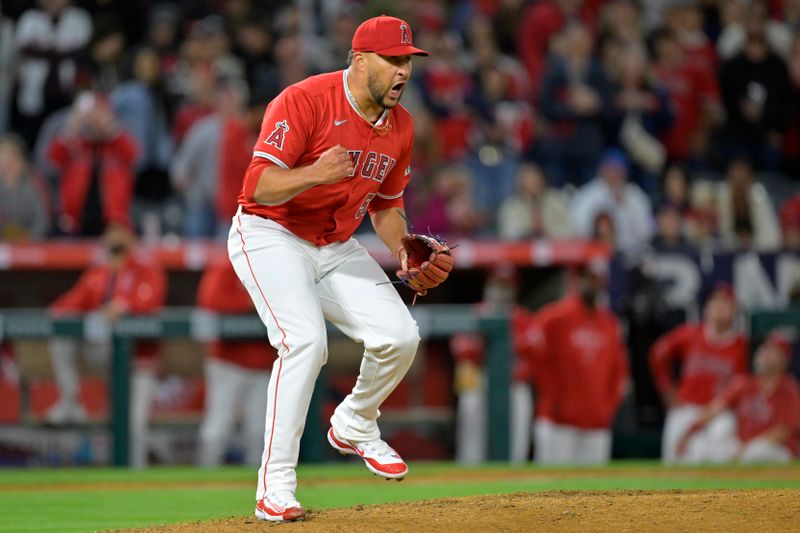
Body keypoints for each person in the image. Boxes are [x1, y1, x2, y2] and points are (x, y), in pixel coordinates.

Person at [227, 16, 435, 522]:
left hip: (334, 243)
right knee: (305, 342)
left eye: (408, 60)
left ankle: (356, 422)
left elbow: (387, 205)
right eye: (393, 60)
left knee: (400, 337)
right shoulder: (304, 100)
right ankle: (274, 487)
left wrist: (405, 246)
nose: (403, 71)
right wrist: (315, 172)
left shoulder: (401, 126)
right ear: (361, 60)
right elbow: (258, 187)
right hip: (269, 232)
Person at [46, 223, 166, 467]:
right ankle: (70, 400)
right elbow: (67, 306)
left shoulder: (146, 267)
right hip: (106, 355)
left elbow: (152, 302)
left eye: (119, 237)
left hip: (139, 360)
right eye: (111, 238)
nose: (115, 243)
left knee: (135, 425)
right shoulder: (99, 272)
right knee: (62, 333)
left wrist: (124, 306)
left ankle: (136, 479)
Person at [522, 262, 629, 465]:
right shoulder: (554, 318)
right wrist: (553, 398)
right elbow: (531, 356)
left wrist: (608, 408)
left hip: (596, 423)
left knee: (595, 492)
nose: (590, 285)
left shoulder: (610, 324)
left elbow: (619, 371)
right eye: (585, 279)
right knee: (550, 492)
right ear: (575, 281)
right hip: (558, 423)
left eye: (594, 280)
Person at [649, 283, 748, 464]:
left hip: (718, 414)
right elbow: (657, 353)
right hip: (685, 408)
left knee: (718, 458)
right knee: (673, 465)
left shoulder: (741, 346)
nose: (718, 307)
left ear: (735, 309)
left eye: (725, 302)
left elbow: (737, 390)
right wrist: (667, 390)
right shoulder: (691, 333)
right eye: (714, 301)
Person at [196, 259, 276, 467]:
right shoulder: (227, 266)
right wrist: (251, 302)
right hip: (228, 361)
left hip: (262, 363)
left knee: (259, 429)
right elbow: (211, 302)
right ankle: (205, 478)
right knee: (218, 426)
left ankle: (260, 483)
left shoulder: (273, 265)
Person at [676, 332, 800, 464]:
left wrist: (746, 449)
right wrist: (689, 432)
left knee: (757, 452)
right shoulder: (743, 383)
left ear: (783, 360)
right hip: (742, 447)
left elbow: (783, 432)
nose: (764, 354)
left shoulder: (788, 388)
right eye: (764, 348)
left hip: (777, 450)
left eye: (772, 351)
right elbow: (715, 408)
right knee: (702, 447)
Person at [46, 92, 138, 236]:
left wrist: (109, 126)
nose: (94, 122)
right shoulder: (76, 143)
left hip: (113, 222)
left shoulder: (117, 143)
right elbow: (52, 160)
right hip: (75, 221)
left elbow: (135, 156)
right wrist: (73, 125)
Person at [571, 149, 655, 253]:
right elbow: (578, 229)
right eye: (610, 168)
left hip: (631, 254)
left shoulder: (635, 195)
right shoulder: (588, 194)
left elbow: (646, 232)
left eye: (618, 169)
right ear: (601, 169)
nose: (614, 174)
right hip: (595, 253)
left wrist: (625, 205)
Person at [0, 134, 50, 241]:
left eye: (12, 158)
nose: (8, 164)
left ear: (22, 161)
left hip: (30, 244)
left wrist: (29, 239)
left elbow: (42, 219)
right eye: (4, 159)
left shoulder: (34, 183)